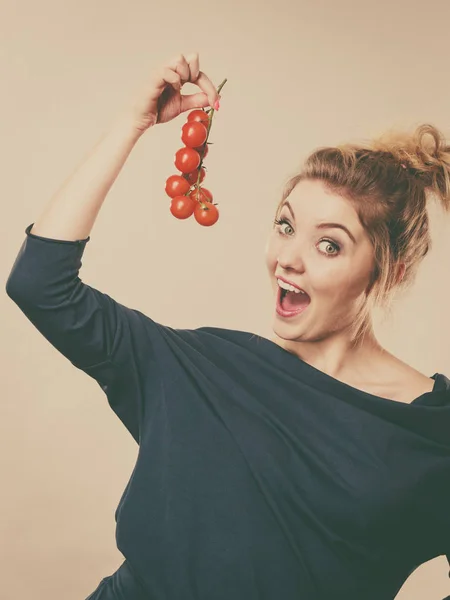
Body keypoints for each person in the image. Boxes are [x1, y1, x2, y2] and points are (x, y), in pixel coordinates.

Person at [5, 51, 450, 600]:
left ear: (390, 270)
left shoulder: (435, 433)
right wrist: (133, 124)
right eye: (285, 226)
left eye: (329, 244)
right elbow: (40, 285)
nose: (289, 258)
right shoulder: (205, 368)